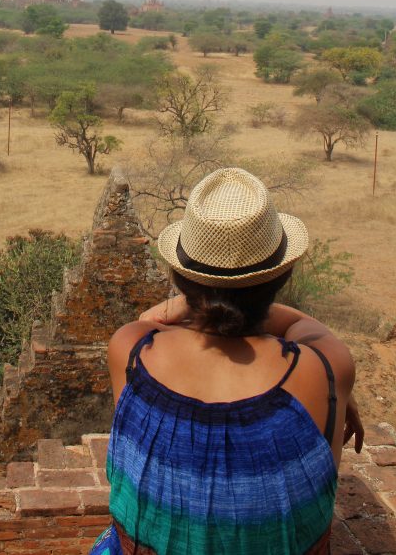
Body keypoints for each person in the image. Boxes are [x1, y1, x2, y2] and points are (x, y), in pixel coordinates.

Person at [90, 167, 363, 555]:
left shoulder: (131, 350)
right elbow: (303, 323)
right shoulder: (326, 368)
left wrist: (202, 303)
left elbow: (151, 320)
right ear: (280, 278)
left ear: (179, 277)